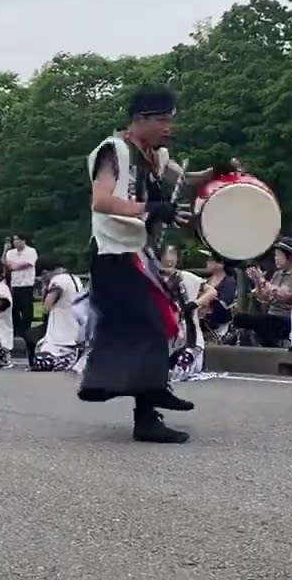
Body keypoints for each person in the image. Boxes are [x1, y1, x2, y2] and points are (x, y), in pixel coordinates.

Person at [79, 84, 230, 444]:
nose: (168, 128)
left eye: (170, 120)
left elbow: (187, 180)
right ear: (140, 119)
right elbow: (101, 201)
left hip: (136, 255)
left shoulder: (154, 156)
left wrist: (216, 172)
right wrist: (151, 209)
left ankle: (150, 397)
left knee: (158, 324)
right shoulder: (114, 150)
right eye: (162, 120)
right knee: (148, 326)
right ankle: (148, 412)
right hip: (112, 254)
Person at [234, 238, 292, 347]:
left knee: (263, 322)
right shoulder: (277, 274)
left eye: (279, 255)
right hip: (272, 316)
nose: (276, 259)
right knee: (240, 318)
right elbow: (264, 298)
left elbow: (284, 294)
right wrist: (257, 283)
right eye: (275, 256)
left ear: (291, 257)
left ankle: (271, 348)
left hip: (288, 318)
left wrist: (262, 280)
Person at [29, 259, 86, 372]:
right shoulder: (75, 278)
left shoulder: (58, 280)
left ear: (45, 273)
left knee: (31, 337)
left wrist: (45, 288)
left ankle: (64, 361)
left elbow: (46, 307)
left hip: (60, 331)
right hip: (76, 326)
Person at [2, 234, 38, 362]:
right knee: (14, 310)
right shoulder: (10, 253)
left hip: (27, 284)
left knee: (27, 310)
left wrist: (13, 265)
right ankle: (18, 332)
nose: (15, 242)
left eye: (18, 239)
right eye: (14, 240)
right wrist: (5, 251)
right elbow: (5, 264)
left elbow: (26, 264)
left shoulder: (31, 251)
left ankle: (27, 332)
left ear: (24, 240)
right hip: (14, 285)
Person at [197, 251, 237, 343]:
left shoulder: (229, 282)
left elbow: (223, 304)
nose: (207, 263)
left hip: (215, 320)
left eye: (210, 260)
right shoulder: (207, 281)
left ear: (220, 264)